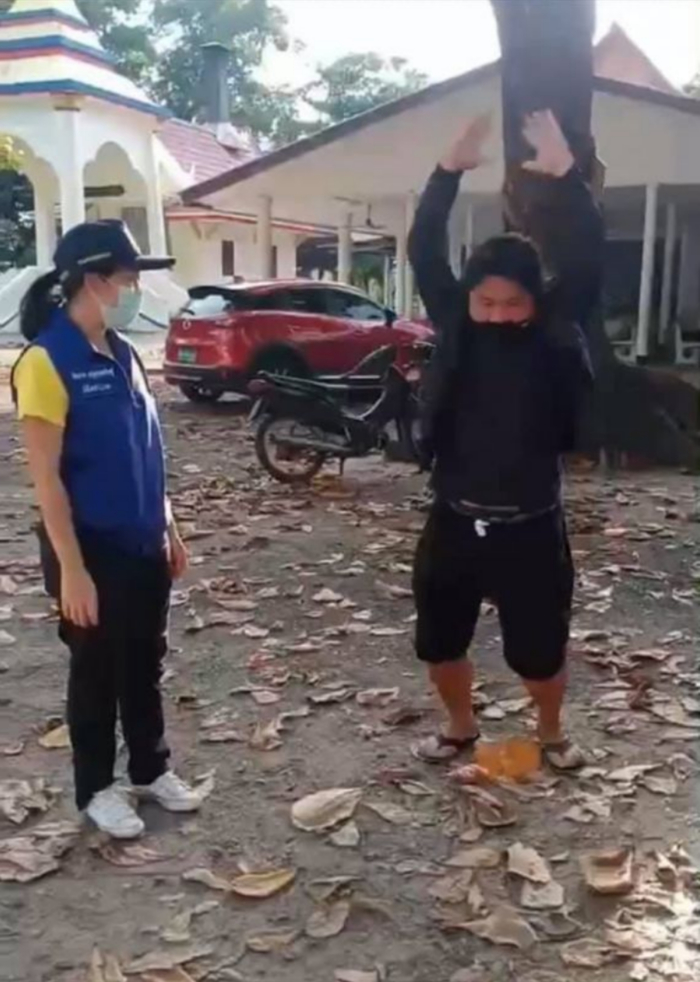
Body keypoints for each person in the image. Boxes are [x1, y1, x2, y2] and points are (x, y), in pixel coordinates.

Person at [408, 110, 602, 769]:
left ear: (535, 299)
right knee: (438, 644)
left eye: (512, 304)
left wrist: (566, 175)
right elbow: (424, 247)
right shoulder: (455, 323)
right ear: (468, 298)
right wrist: (447, 171)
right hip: (454, 519)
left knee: (539, 655)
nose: (497, 315)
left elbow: (588, 252)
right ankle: (460, 727)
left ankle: (549, 732)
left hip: (531, 526)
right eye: (485, 303)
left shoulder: (554, 329)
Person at [11, 221, 202, 838]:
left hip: (144, 539)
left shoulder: (123, 352)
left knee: (145, 660)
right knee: (96, 670)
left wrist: (169, 526)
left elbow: (145, 450)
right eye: (127, 278)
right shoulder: (46, 362)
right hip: (89, 547)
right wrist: (72, 568)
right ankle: (96, 787)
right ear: (92, 281)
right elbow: (47, 480)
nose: (135, 289)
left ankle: (151, 768)